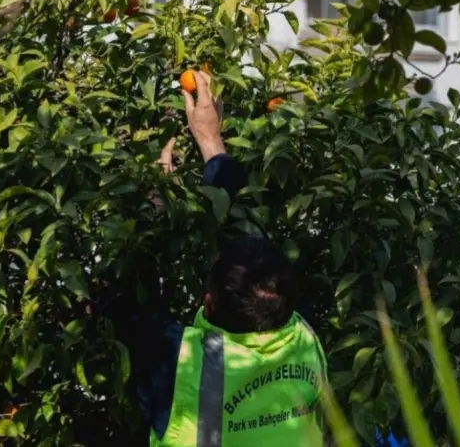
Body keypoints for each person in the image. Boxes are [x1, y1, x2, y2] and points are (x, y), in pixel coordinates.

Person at [129, 71, 329, 447]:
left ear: (207, 302)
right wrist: (210, 139)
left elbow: (127, 296)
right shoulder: (304, 337)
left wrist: (157, 203)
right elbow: (249, 247)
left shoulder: (182, 363)